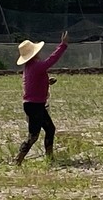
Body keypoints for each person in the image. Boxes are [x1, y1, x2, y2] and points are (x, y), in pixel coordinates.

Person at [14, 31, 68, 164]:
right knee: (33, 136)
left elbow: (32, 84)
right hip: (35, 106)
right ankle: (18, 159)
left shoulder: (29, 67)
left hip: (33, 105)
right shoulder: (37, 66)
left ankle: (49, 158)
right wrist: (63, 45)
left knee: (50, 129)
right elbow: (52, 60)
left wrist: (46, 82)